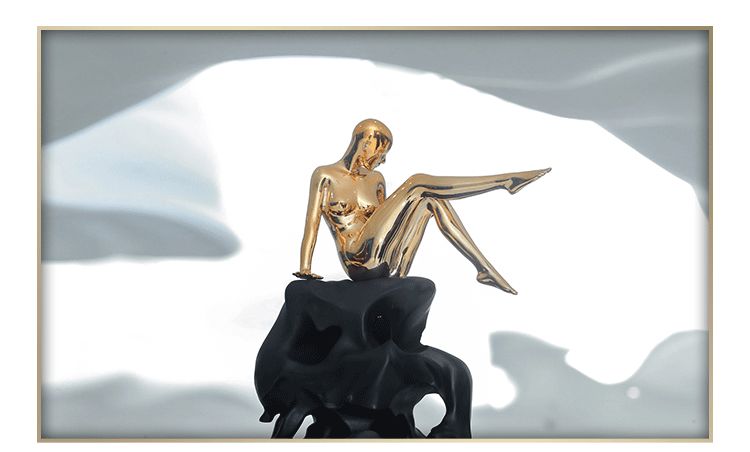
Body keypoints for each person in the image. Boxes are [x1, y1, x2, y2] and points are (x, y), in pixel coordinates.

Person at [293, 119, 549, 294]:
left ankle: (483, 269)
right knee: (417, 183)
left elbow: (390, 226)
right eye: (381, 152)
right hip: (357, 260)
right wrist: (305, 268)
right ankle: (503, 181)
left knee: (430, 200)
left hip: (386, 262)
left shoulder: (376, 180)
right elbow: (311, 224)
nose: (383, 160)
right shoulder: (325, 175)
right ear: (366, 143)